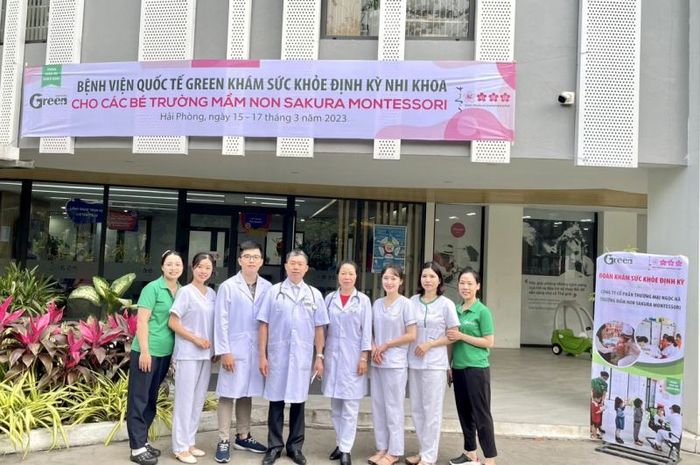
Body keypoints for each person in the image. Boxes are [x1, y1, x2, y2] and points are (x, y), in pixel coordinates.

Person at [257, 249, 329, 465]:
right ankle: (274, 447)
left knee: (298, 402)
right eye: (292, 263)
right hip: (277, 355)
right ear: (286, 266)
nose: (296, 267)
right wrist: (262, 355)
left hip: (302, 356)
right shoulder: (274, 292)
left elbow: (319, 328)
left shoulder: (314, 294)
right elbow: (263, 324)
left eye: (300, 264)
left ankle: (295, 448)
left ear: (306, 268)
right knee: (276, 401)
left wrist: (319, 356)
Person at [214, 241, 272, 463]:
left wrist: (265, 353)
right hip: (234, 348)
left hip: (255, 349)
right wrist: (225, 351)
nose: (251, 260)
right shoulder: (228, 286)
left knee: (247, 391)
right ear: (240, 260)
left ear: (261, 261)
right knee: (228, 393)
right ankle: (223, 439)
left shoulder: (268, 287)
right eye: (247, 257)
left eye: (255, 257)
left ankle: (243, 436)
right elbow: (221, 321)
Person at [126, 250, 184, 465]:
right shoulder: (152, 288)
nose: (173, 268)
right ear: (162, 266)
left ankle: (142, 441)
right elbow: (142, 321)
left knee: (151, 398)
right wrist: (144, 351)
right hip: (147, 352)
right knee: (138, 399)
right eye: (169, 264)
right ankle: (136, 448)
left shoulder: (181, 291)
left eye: (177, 264)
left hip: (165, 353)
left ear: (182, 267)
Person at [405, 262, 459, 465]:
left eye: (432, 276)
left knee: (432, 410)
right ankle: (422, 451)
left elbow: (453, 335)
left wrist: (430, 344)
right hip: (414, 362)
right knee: (417, 409)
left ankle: (429, 456)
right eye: (424, 276)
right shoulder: (412, 302)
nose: (427, 280)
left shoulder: (446, 304)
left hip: (435, 363)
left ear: (439, 280)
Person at [323, 261, 373, 465]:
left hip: (354, 358)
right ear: (338, 276)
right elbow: (323, 329)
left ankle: (346, 450)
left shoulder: (363, 301)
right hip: (333, 358)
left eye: (351, 273)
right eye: (343, 273)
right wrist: (320, 355)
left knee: (351, 407)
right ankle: (340, 443)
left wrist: (364, 357)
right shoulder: (329, 299)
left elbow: (366, 331)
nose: (347, 277)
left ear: (356, 277)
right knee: (336, 406)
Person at [168, 253, 217, 464]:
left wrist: (215, 349)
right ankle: (179, 447)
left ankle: (189, 442)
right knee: (184, 400)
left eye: (207, 267)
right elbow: (173, 322)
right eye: (200, 266)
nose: (203, 271)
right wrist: (195, 339)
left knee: (197, 400)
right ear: (193, 268)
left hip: (206, 355)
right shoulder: (185, 292)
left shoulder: (212, 294)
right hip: (188, 353)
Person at [446, 268, 497, 465]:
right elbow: (451, 341)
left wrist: (462, 336)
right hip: (458, 368)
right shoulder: (455, 309)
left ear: (478, 286)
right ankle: (470, 453)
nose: (465, 287)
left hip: (477, 369)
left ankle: (490, 458)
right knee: (464, 412)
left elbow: (489, 342)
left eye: (469, 283)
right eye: (462, 283)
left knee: (481, 414)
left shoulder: (482, 311)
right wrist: (448, 365)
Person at [368, 265, 417, 465]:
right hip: (377, 361)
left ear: (401, 281)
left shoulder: (406, 304)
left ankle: (394, 451)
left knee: (394, 407)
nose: (389, 282)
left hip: (395, 363)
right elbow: (369, 330)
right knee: (378, 406)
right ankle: (382, 447)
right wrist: (373, 347)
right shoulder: (377, 304)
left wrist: (386, 345)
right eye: (386, 278)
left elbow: (411, 335)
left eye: (393, 278)